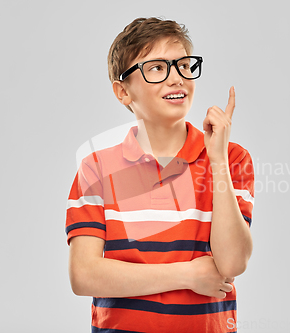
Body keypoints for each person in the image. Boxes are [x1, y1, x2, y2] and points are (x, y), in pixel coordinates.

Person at [65, 17, 255, 333]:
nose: (176, 78)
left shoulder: (232, 159)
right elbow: (84, 275)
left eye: (183, 65)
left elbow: (233, 263)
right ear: (123, 91)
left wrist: (217, 159)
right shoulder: (95, 169)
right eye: (156, 68)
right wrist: (186, 275)